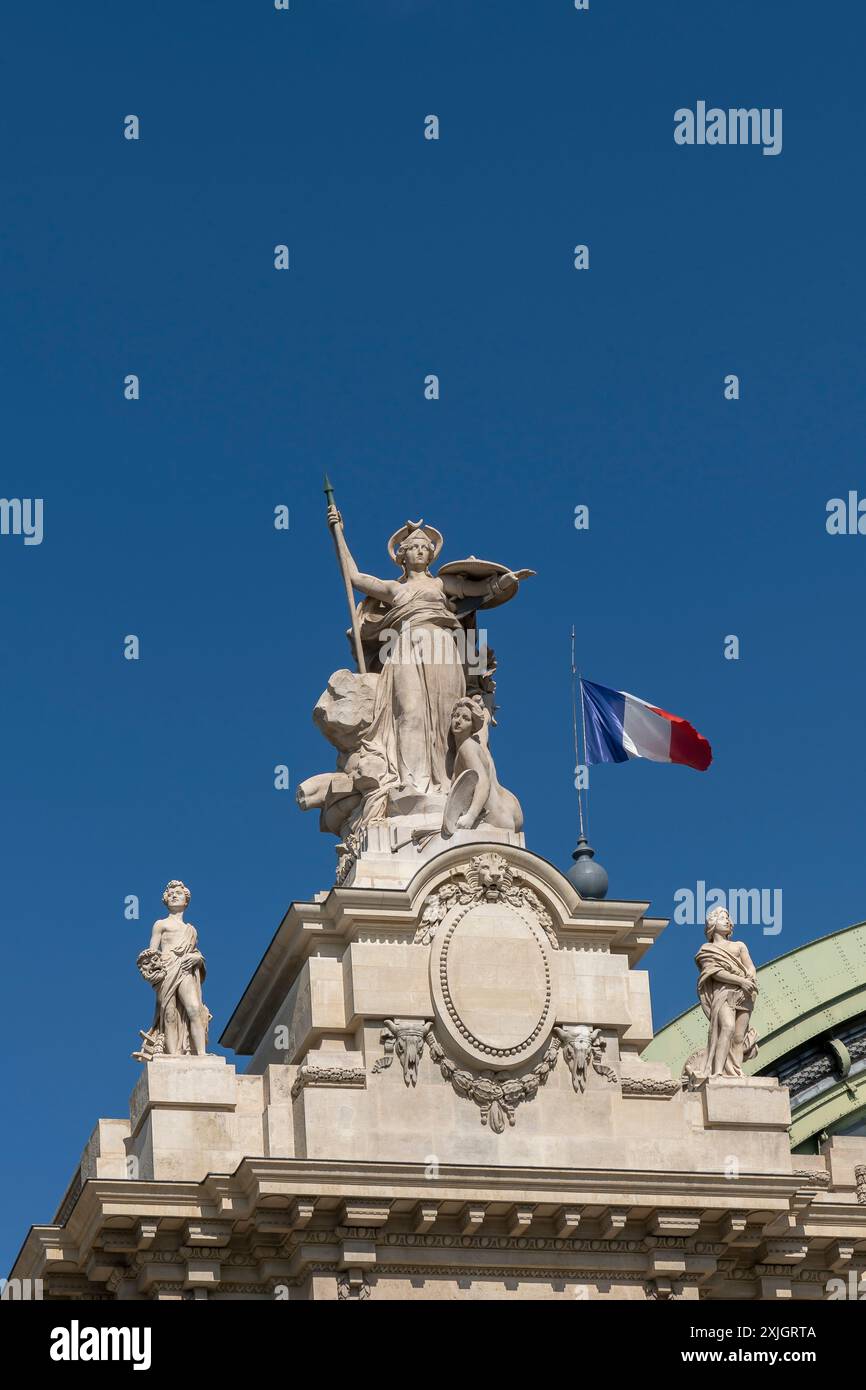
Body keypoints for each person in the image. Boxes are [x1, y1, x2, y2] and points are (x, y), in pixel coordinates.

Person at [135, 880, 211, 1057]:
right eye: (170, 894)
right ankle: (174, 1054)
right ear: (165, 900)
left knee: (194, 1008)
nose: (174, 895)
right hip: (167, 969)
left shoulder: (191, 929)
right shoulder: (161, 924)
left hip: (185, 968)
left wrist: (197, 958)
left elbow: (196, 953)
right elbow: (152, 953)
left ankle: (201, 1053)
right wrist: (150, 968)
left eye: (178, 893)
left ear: (186, 900)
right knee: (169, 1014)